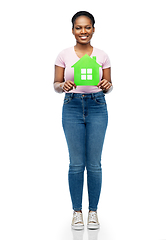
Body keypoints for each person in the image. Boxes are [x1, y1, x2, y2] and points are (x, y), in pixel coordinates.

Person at [54, 11, 113, 230]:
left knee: (94, 164)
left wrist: (107, 86)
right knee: (76, 163)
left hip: (97, 107)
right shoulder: (63, 55)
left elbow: (108, 84)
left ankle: (93, 212)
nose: (83, 31)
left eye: (87, 27)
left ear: (93, 29)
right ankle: (77, 212)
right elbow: (56, 84)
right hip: (72, 107)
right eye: (78, 27)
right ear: (72, 30)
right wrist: (63, 86)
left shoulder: (103, 55)